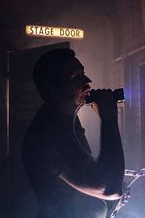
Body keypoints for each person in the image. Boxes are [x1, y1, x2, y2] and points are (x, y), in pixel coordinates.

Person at [22, 48, 125, 218]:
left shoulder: (66, 122)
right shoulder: (50, 132)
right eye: (76, 77)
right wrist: (108, 118)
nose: (87, 81)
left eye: (83, 73)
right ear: (53, 89)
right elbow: (109, 188)